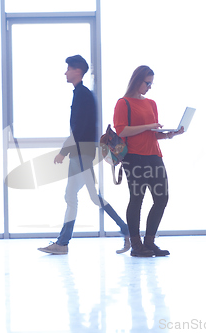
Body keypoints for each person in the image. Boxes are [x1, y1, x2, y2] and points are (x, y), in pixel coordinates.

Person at [38, 55, 130, 255]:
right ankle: (63, 242)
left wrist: (63, 151)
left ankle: (125, 230)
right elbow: (80, 128)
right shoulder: (81, 94)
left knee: (85, 197)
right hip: (82, 154)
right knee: (75, 196)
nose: (65, 72)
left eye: (68, 68)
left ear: (77, 71)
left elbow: (79, 129)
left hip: (81, 155)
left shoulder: (82, 94)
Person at [113, 65, 184, 257]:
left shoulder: (151, 103)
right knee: (137, 199)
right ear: (137, 81)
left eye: (151, 83)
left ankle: (149, 242)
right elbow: (121, 131)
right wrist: (148, 126)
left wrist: (170, 134)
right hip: (134, 157)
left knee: (162, 198)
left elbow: (151, 134)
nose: (149, 87)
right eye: (147, 83)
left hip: (154, 155)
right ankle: (136, 245)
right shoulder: (123, 103)